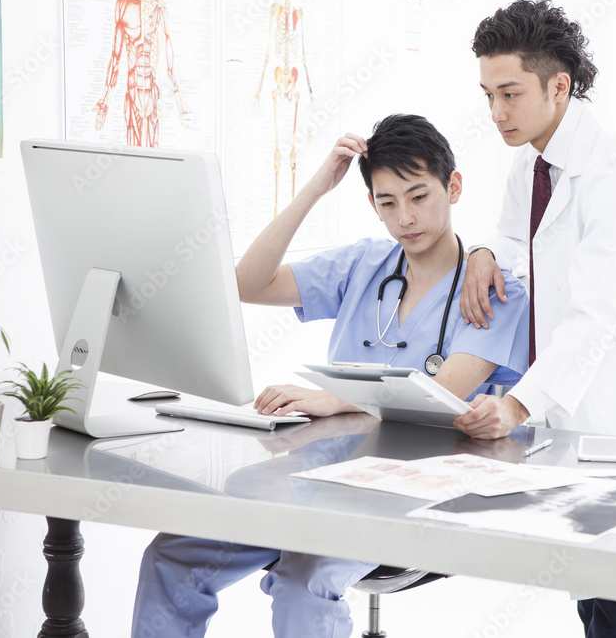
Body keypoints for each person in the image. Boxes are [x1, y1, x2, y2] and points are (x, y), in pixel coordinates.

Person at [130, 113, 530, 638]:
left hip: (417, 492)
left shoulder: (492, 288)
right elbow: (246, 284)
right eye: (387, 202)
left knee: (303, 579)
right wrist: (317, 188)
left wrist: (335, 399)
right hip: (318, 477)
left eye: (418, 196)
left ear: (452, 187)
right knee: (170, 556)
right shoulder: (363, 265)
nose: (405, 217)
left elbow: (442, 393)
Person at [453, 0, 616, 638]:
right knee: (592, 584)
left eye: (510, 94)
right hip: (580, 405)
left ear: (560, 85)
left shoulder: (613, 174)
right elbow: (518, 242)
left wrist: (516, 406)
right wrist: (486, 250)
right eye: (488, 95)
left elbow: (594, 314)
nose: (496, 114)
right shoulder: (531, 162)